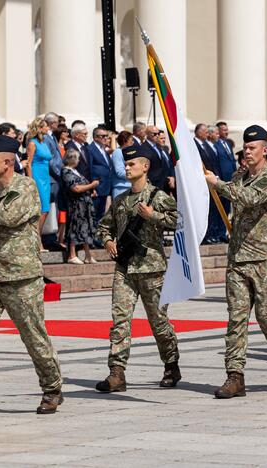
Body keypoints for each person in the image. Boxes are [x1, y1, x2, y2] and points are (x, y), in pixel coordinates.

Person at [0, 135, 64, 416]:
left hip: (22, 277)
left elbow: (9, 217)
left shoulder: (26, 187)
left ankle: (52, 387)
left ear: (8, 162)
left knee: (33, 336)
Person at [204, 124, 267, 399]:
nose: (247, 152)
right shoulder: (238, 177)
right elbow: (235, 192)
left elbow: (250, 198)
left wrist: (217, 184)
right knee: (236, 318)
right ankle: (235, 375)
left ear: (265, 150)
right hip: (239, 258)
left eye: (252, 147)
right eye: (245, 148)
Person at [95, 145, 181, 392]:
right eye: (126, 163)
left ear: (145, 167)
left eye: (132, 164)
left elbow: (180, 221)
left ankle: (171, 364)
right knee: (120, 320)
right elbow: (104, 226)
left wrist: (154, 215)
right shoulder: (121, 200)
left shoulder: (160, 197)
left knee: (159, 322)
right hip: (124, 268)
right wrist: (108, 241)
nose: (127, 167)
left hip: (152, 269)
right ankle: (116, 372)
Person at [61, 148, 98, 264]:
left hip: (85, 204)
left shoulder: (75, 171)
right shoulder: (66, 171)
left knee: (85, 228)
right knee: (74, 227)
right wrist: (91, 185)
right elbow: (75, 188)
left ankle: (88, 255)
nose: (78, 160)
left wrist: (91, 190)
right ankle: (72, 255)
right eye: (77, 158)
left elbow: (84, 185)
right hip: (75, 204)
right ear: (71, 158)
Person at [25, 118, 53, 249]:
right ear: (40, 128)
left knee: (45, 210)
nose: (48, 128)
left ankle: (37, 239)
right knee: (42, 210)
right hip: (37, 177)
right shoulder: (32, 143)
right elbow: (28, 164)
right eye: (46, 126)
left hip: (45, 177)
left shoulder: (44, 142)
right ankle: (37, 241)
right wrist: (31, 182)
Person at [88, 125, 113, 227]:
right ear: (95, 137)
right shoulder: (90, 149)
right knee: (93, 214)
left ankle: (98, 237)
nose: (106, 138)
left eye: (106, 136)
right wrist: (91, 187)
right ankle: (93, 239)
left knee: (101, 213)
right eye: (102, 136)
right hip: (96, 187)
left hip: (105, 187)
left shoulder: (103, 150)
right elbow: (89, 168)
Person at [109, 130, 133, 198]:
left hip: (130, 187)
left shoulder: (128, 152)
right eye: (131, 140)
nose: (132, 142)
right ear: (125, 141)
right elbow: (119, 172)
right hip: (121, 189)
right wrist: (134, 175)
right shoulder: (117, 152)